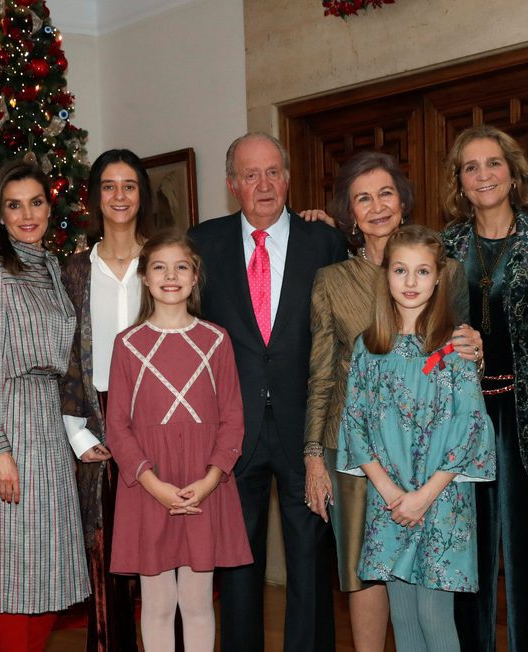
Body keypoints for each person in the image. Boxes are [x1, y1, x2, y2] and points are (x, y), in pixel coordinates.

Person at [302, 150, 482, 652]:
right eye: (363, 198)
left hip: (434, 469)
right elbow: (321, 378)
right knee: (367, 573)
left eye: (385, 193)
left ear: (402, 200)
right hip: (365, 459)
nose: (377, 206)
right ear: (350, 212)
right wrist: (314, 453)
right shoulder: (334, 283)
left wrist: (476, 352)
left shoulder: (445, 270)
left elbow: (462, 346)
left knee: (431, 606)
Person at [188, 133, 344, 651]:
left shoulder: (324, 241)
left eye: (273, 171)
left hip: (308, 432)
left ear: (288, 178)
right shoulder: (201, 244)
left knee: (309, 562)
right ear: (232, 184)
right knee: (238, 564)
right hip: (233, 429)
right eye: (251, 175)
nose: (264, 184)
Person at [439, 125, 528, 652]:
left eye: (492, 163)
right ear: (460, 182)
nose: (483, 175)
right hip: (461, 418)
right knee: (466, 555)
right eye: (471, 167)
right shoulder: (445, 245)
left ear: (513, 173)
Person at [337, 224, 496, 652]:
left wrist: (424, 496)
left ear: (439, 277)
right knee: (403, 615)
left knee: (433, 614)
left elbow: (471, 429)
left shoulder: (455, 344)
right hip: (388, 500)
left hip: (440, 501)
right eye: (401, 271)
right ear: (385, 274)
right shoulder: (368, 347)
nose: (410, 283)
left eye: (422, 272)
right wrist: (391, 493)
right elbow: (355, 426)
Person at [0, 159, 89, 651]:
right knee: (14, 573)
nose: (27, 214)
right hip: (8, 421)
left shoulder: (53, 267)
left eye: (35, 202)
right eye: (14, 205)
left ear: (49, 205)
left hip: (48, 425)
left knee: (47, 573)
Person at [106, 231, 252, 651]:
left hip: (203, 485)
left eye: (181, 267)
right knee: (155, 605)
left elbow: (232, 420)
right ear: (146, 279)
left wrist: (209, 482)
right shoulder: (128, 345)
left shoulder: (216, 340)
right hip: (149, 487)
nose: (170, 276)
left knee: (198, 601)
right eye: (159, 267)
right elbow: (118, 427)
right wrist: (153, 485)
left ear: (194, 277)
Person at [60, 148, 159, 652]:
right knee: (105, 560)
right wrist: (76, 434)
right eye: (109, 186)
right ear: (96, 197)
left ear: (142, 194)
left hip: (160, 423)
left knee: (163, 562)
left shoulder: (163, 262)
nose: (119, 196)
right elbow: (64, 357)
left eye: (129, 186)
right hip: (95, 422)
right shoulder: (73, 271)